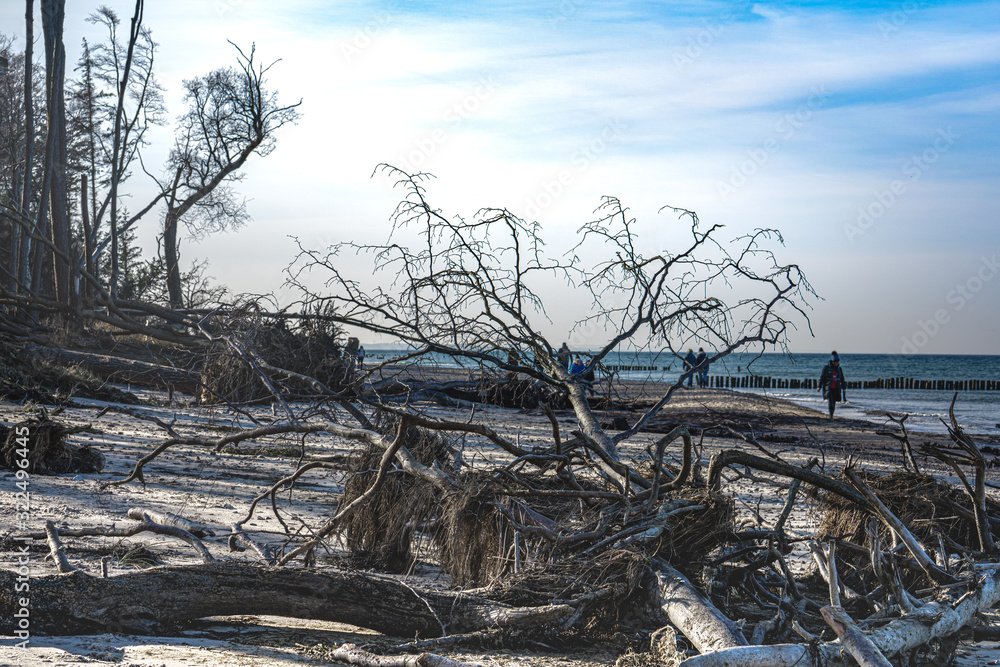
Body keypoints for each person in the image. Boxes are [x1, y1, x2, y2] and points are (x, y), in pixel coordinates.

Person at [819, 351, 847, 419]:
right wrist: (819, 386)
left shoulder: (839, 369)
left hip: (836, 388)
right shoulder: (826, 368)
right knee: (830, 400)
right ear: (833, 362)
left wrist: (844, 387)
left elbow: (842, 378)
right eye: (836, 362)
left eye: (838, 362)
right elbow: (822, 377)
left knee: (834, 401)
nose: (837, 363)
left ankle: (832, 414)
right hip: (829, 387)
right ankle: (831, 415)